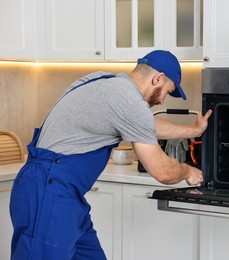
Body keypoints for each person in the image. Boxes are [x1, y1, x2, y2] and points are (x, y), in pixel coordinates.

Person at [9, 50, 213, 260]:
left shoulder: (103, 82)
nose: (162, 101)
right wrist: (187, 171)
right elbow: (162, 172)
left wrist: (193, 131)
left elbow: (147, 125)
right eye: (167, 92)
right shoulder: (129, 102)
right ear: (157, 78)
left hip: (61, 193)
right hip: (48, 191)